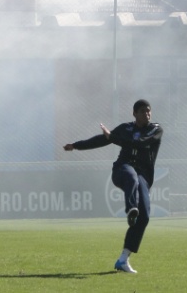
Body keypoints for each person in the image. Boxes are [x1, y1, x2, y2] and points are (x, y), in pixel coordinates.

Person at [63, 99, 163, 273]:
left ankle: (123, 259)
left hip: (144, 177)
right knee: (131, 177)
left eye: (148, 111)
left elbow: (141, 143)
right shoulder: (126, 128)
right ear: (134, 114)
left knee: (145, 216)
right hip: (122, 170)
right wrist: (76, 146)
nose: (146, 114)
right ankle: (131, 210)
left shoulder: (155, 129)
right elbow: (103, 140)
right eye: (142, 111)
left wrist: (113, 137)